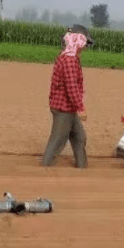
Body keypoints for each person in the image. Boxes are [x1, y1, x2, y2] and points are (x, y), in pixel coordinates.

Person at [42, 24, 95, 168]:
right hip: (64, 109)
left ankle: (82, 167)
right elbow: (71, 87)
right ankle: (43, 170)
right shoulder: (69, 61)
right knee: (57, 141)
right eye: (84, 43)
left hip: (68, 108)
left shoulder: (68, 57)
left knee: (79, 137)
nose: (84, 47)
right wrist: (81, 108)